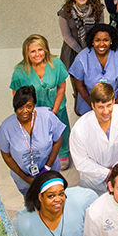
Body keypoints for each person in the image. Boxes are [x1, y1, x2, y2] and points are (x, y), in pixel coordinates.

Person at [12, 171, 98, 236]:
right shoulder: (23, 225)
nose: (58, 199)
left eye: (61, 194)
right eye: (51, 196)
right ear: (40, 197)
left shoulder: (80, 201)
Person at [11, 34, 72, 169]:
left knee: (61, 129)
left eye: (40, 50)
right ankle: (45, 154)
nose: (37, 54)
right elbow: (17, 97)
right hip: (34, 113)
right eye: (32, 51)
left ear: (46, 50)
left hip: (56, 107)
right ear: (26, 53)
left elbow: (61, 87)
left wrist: (55, 110)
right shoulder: (19, 72)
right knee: (39, 136)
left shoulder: (56, 63)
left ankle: (63, 152)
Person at [0, 86, 65, 195]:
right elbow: (6, 156)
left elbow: (57, 140)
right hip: (24, 179)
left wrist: (47, 167)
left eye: (29, 106)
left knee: (53, 198)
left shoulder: (47, 117)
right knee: (32, 204)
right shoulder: (6, 128)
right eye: (20, 108)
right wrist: (25, 177)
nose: (24, 111)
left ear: (34, 105)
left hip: (50, 172)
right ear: (15, 108)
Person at [71, 83, 118, 195]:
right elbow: (81, 161)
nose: (106, 111)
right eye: (100, 107)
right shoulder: (80, 129)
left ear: (113, 101)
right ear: (93, 106)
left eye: (109, 105)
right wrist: (107, 173)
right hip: (94, 183)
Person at [69, 24, 118, 116]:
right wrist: (94, 106)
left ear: (111, 41)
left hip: (117, 100)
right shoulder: (82, 58)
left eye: (106, 40)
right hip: (90, 102)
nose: (101, 44)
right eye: (97, 40)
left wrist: (117, 102)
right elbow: (80, 86)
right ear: (92, 41)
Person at [58, 0, 105, 69]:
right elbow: (67, 37)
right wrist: (83, 53)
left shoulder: (98, 9)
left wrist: (91, 52)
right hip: (73, 51)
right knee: (76, 81)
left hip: (94, 50)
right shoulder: (64, 12)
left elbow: (100, 32)